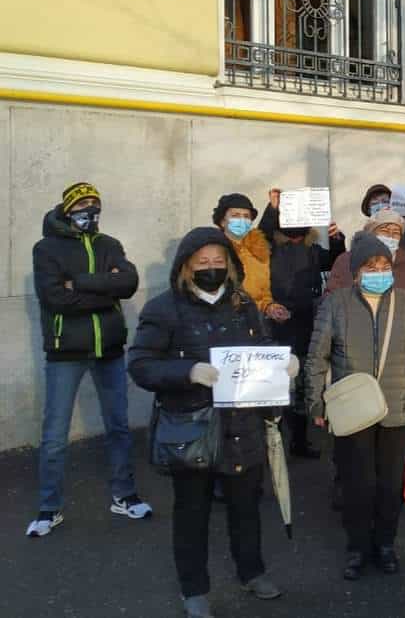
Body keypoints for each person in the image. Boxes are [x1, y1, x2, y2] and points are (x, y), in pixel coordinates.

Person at [129, 227, 293, 617]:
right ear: (186, 266)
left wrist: (284, 361)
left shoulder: (244, 305)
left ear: (231, 266)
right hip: (192, 428)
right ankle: (194, 588)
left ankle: (251, 571)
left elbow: (263, 347)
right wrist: (188, 372)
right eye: (202, 262)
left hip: (243, 424)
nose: (211, 268)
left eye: (219, 261)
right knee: (191, 512)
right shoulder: (163, 308)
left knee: (246, 507)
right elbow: (141, 364)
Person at [306, 233, 405, 579]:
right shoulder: (336, 304)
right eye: (370, 266)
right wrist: (315, 403)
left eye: (383, 266)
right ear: (356, 270)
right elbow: (316, 357)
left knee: (389, 484)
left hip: (399, 408)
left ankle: (385, 544)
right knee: (356, 483)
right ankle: (357, 548)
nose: (378, 272)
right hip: (353, 410)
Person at [27, 182, 151, 538]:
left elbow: (127, 283)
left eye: (95, 205)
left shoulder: (109, 244)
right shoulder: (46, 248)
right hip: (66, 352)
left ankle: (124, 494)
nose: (90, 211)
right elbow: (54, 299)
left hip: (109, 349)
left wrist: (77, 283)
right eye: (83, 205)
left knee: (118, 427)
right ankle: (49, 508)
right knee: (54, 435)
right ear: (67, 209)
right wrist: (104, 289)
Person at [258, 188, 345, 457]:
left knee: (302, 387)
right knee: (279, 388)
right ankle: (276, 443)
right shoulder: (270, 248)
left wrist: (338, 240)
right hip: (276, 326)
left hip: (306, 324)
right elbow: (260, 235)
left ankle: (299, 441)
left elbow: (335, 261)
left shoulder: (313, 250)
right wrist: (273, 208)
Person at [213, 193, 289, 324]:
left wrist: (269, 307)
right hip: (224, 322)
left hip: (256, 323)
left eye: (246, 216)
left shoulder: (259, 249)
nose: (242, 220)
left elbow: (263, 293)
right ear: (222, 221)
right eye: (235, 216)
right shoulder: (214, 250)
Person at [327, 208, 405, 299]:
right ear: (371, 233)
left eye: (396, 232)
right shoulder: (345, 261)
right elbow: (330, 300)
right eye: (385, 231)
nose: (391, 236)